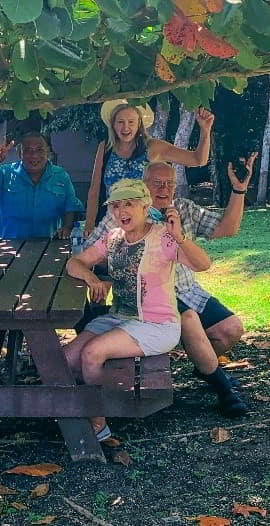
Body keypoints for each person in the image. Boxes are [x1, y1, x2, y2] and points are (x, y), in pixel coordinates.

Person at [84, 156, 259, 416]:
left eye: (169, 184)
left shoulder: (183, 209)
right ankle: (223, 388)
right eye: (157, 184)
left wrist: (238, 189)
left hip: (187, 289)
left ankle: (204, 367)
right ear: (144, 186)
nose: (164, 189)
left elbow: (228, 228)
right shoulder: (123, 215)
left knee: (230, 329)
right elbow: (92, 251)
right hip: (147, 296)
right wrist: (101, 278)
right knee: (187, 319)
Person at [64, 179, 211, 440]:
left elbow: (203, 264)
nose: (122, 212)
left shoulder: (163, 237)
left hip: (156, 324)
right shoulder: (114, 238)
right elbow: (75, 263)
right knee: (65, 360)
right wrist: (92, 279)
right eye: (116, 206)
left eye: (129, 204)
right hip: (119, 318)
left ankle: (98, 424)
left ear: (145, 207)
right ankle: (99, 399)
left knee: (92, 353)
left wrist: (180, 237)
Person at [85, 99, 214, 237]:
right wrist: (89, 225)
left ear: (139, 123)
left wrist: (205, 131)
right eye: (120, 122)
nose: (126, 127)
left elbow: (198, 159)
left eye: (131, 122)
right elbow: (95, 190)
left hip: (146, 226)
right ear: (113, 124)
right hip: (111, 226)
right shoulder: (105, 148)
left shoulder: (152, 147)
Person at [0, 132, 84, 239]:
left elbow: (71, 206)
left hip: (49, 246)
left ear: (48, 152)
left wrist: (67, 227)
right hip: (10, 249)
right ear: (20, 154)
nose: (34, 155)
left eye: (39, 150)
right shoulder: (5, 173)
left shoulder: (61, 176)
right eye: (28, 150)